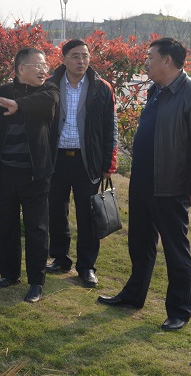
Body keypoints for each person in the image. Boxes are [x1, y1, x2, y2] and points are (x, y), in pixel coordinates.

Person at [97, 38, 191, 332]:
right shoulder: (156, 91)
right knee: (139, 244)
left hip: (171, 187)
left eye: (150, 57)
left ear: (167, 61)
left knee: (176, 250)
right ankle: (133, 295)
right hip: (142, 183)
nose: (146, 62)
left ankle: (179, 310)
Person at [0, 47, 59, 303]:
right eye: (38, 65)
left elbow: (48, 106)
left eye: (45, 65)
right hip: (4, 172)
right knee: (7, 225)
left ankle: (36, 281)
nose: (44, 70)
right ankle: (9, 274)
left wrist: (19, 106)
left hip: (36, 175)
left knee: (37, 228)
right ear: (21, 69)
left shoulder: (49, 92)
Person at [46, 39, 118, 288]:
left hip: (87, 161)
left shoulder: (101, 88)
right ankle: (60, 258)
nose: (81, 61)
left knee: (88, 215)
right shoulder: (51, 85)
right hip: (57, 159)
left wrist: (109, 162)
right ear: (64, 58)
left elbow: (110, 127)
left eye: (85, 56)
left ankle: (86, 266)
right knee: (56, 210)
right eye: (75, 56)